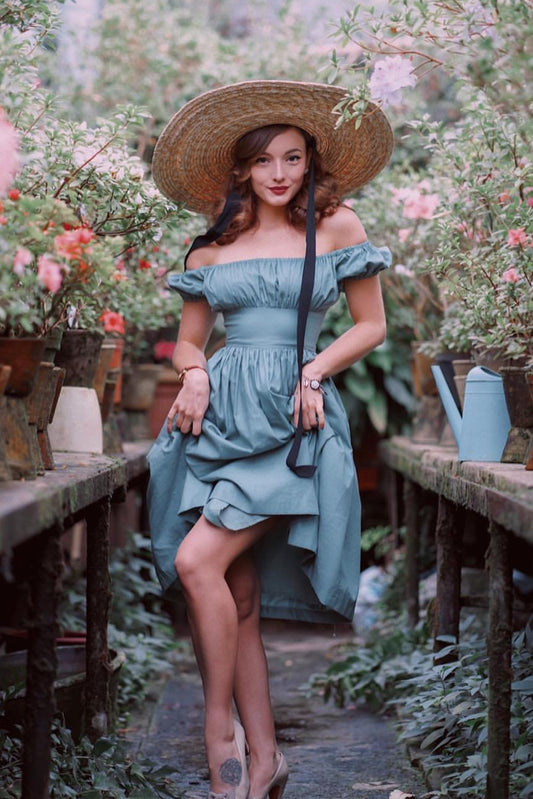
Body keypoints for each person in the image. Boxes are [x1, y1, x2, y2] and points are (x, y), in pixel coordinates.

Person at [148, 80, 393, 799]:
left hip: (293, 422)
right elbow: (189, 344)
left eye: (293, 158)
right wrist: (192, 375)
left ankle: (214, 727)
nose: (280, 173)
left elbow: (371, 325)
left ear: (310, 164)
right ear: (241, 171)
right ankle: (263, 760)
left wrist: (314, 370)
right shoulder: (209, 246)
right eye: (264, 162)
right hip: (219, 420)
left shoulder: (337, 226)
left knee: (200, 563)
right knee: (238, 591)